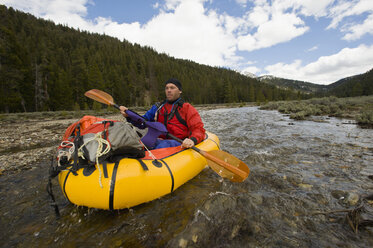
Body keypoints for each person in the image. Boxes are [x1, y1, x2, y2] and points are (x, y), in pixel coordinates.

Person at [120, 78, 205, 149]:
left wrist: (192, 140)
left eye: (172, 88)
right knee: (138, 143)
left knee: (164, 145)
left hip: (179, 142)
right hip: (160, 141)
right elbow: (142, 123)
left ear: (180, 91)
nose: (169, 90)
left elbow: (198, 128)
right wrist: (129, 115)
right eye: (166, 88)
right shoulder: (158, 107)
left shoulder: (187, 108)